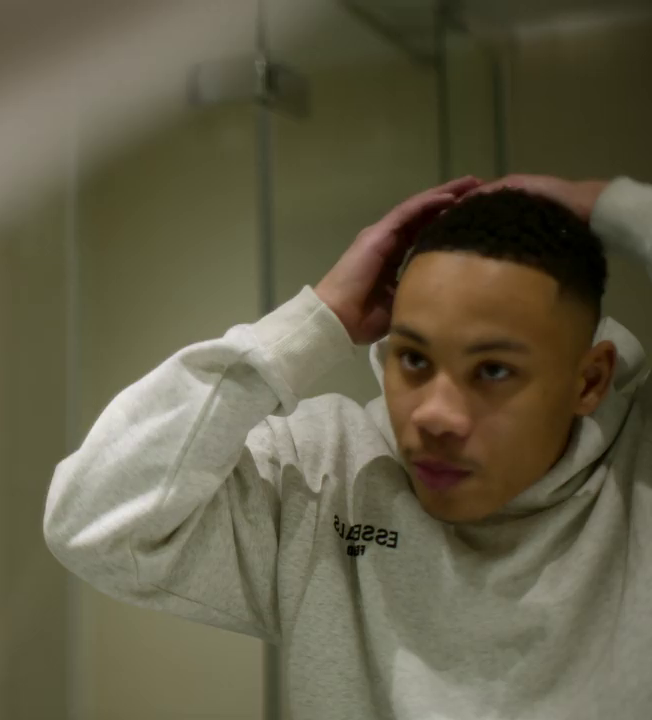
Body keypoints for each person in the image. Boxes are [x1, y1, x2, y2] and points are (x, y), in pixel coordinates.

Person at [43, 174, 652, 719]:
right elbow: (93, 523)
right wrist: (317, 319)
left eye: (493, 370)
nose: (436, 415)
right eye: (414, 359)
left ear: (589, 381)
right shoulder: (328, 469)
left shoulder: (639, 476)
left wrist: (605, 203)